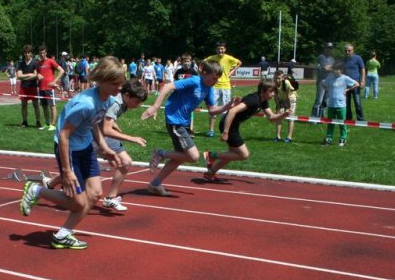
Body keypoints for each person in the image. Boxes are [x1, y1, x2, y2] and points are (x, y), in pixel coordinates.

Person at [18, 56, 126, 249]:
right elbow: (63, 136)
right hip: (68, 149)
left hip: (84, 147)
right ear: (101, 80)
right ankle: (37, 190)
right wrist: (67, 172)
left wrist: (106, 148)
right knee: (77, 203)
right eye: (115, 83)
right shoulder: (86, 104)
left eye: (121, 83)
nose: (119, 88)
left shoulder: (107, 99)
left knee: (94, 195)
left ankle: (63, 235)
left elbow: (94, 125)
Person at [141, 60, 240, 196]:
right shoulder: (194, 81)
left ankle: (155, 184)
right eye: (214, 78)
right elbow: (168, 86)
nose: (216, 81)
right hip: (175, 121)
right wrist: (155, 106)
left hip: (185, 123)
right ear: (204, 73)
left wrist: (227, 106)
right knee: (193, 156)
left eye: (218, 79)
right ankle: (160, 153)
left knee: (180, 157)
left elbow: (212, 110)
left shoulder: (209, 89)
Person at [203, 79, 291, 181]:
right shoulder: (253, 100)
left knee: (232, 154)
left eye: (274, 91)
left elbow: (271, 118)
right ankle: (211, 155)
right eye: (271, 91)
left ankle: (210, 174)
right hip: (229, 125)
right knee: (244, 154)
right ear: (263, 90)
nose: (273, 94)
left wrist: (284, 114)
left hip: (234, 126)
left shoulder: (263, 101)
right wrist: (225, 132)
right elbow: (232, 111)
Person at [95, 79, 149, 211]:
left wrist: (114, 124)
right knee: (78, 170)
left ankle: (110, 198)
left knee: (126, 162)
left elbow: (106, 120)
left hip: (102, 132)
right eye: (136, 102)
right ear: (126, 96)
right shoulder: (116, 104)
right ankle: (51, 183)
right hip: (90, 134)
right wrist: (132, 138)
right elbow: (106, 130)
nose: (138, 105)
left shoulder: (123, 102)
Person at [204, 41, 241, 137]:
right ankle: (211, 130)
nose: (221, 50)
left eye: (222, 48)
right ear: (216, 49)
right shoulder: (212, 58)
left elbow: (239, 63)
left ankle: (225, 130)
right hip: (214, 86)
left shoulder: (229, 58)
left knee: (226, 109)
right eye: (219, 49)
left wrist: (231, 73)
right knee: (213, 108)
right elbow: (203, 63)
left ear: (225, 49)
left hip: (226, 86)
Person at [322, 62, 359, 146]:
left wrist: (347, 90)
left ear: (341, 70)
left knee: (342, 123)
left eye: (337, 70)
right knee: (330, 123)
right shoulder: (330, 77)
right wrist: (327, 89)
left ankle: (343, 139)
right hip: (331, 104)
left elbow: (357, 84)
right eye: (334, 69)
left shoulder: (345, 78)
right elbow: (323, 83)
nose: (335, 71)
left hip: (341, 105)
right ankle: (328, 138)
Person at [37, 45, 65, 131]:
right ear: (39, 54)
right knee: (44, 107)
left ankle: (53, 124)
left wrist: (55, 81)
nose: (42, 54)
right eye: (40, 53)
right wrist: (37, 75)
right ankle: (47, 123)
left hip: (49, 88)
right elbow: (37, 74)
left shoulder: (50, 61)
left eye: (43, 53)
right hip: (41, 88)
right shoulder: (38, 64)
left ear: (46, 53)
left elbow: (62, 70)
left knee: (52, 106)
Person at [17, 44, 42, 128]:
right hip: (24, 87)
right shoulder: (21, 63)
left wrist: (26, 76)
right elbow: (19, 76)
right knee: (24, 105)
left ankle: (38, 121)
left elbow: (36, 75)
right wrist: (30, 74)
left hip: (33, 86)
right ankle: (24, 121)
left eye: (28, 52)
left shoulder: (35, 62)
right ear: (24, 53)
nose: (27, 54)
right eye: (25, 53)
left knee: (36, 105)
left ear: (31, 53)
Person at [342, 43, 366, 121]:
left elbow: (362, 69)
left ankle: (360, 120)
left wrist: (362, 81)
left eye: (349, 50)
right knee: (346, 103)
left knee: (357, 103)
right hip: (345, 85)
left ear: (353, 51)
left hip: (356, 84)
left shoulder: (358, 58)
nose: (347, 52)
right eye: (346, 51)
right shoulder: (343, 60)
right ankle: (348, 119)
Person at [272, 70, 297, 143]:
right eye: (275, 78)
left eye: (279, 78)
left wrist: (289, 108)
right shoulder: (273, 84)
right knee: (278, 116)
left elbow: (288, 96)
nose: (277, 80)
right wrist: (278, 107)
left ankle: (289, 137)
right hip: (281, 99)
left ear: (282, 78)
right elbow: (276, 96)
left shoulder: (286, 83)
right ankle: (278, 136)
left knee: (290, 117)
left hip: (291, 99)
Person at [311, 42, 335, 118]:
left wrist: (328, 68)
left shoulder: (332, 59)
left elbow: (333, 69)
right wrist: (326, 68)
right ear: (325, 48)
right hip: (322, 81)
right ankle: (314, 118)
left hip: (329, 81)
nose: (329, 49)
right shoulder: (321, 57)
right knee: (319, 100)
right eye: (328, 47)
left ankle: (322, 117)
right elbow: (321, 68)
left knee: (325, 101)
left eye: (330, 48)